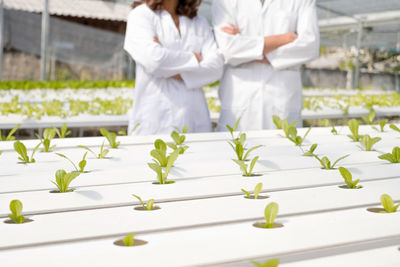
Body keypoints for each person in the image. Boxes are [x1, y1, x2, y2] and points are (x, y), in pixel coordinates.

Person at [212, 0, 320, 130]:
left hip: (282, 98)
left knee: (284, 148)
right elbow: (228, 50)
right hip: (239, 100)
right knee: (235, 147)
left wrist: (244, 48)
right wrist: (282, 39)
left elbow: (310, 46)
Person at [124, 0, 223, 135]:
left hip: (195, 119)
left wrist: (167, 66)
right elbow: (154, 60)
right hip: (155, 120)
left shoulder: (200, 23)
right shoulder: (141, 16)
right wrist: (195, 58)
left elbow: (216, 68)